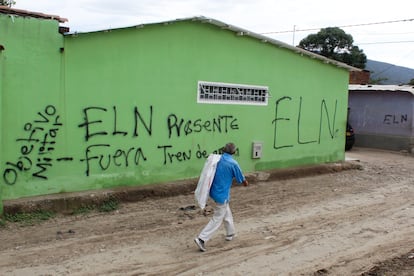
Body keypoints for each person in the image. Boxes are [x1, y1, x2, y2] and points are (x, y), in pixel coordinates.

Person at [194, 142, 248, 252]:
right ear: (234, 152)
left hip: (214, 192)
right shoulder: (233, 163)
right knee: (218, 217)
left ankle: (230, 233)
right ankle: (202, 238)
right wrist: (246, 182)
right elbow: (241, 180)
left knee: (225, 211)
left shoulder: (217, 159)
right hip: (222, 194)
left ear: (223, 150)